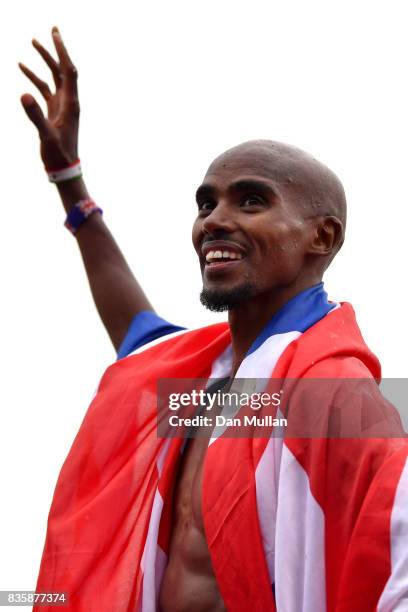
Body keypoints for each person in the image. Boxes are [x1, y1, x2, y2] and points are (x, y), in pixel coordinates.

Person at [20, 27, 408, 612]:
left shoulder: (331, 395)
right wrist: (69, 181)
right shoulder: (199, 385)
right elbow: (133, 325)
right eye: (206, 203)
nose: (213, 221)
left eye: (251, 200)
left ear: (322, 235)